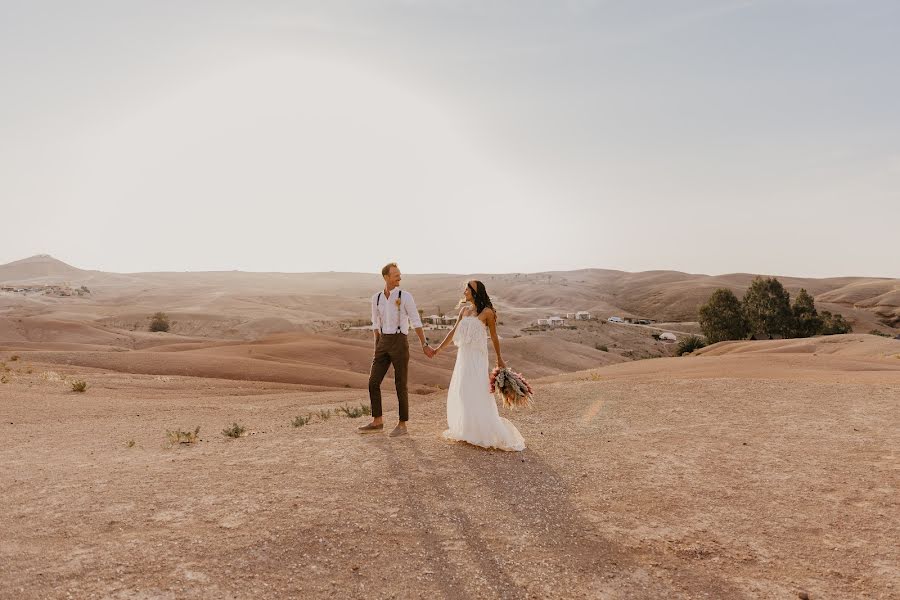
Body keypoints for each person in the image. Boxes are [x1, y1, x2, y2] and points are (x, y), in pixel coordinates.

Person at [429, 280, 525, 451]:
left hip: (478, 358)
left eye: (468, 288)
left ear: (475, 291)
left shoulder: (487, 312)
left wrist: (499, 358)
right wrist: (438, 349)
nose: (464, 290)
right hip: (464, 356)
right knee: (463, 390)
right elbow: (453, 332)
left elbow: (494, 337)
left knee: (477, 389)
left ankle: (482, 431)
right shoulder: (464, 310)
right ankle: (468, 430)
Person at [357, 262, 433, 437]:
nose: (400, 277)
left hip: (400, 341)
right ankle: (377, 421)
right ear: (386, 277)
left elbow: (415, 321)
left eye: (399, 274)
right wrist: (377, 345)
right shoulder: (376, 298)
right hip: (383, 342)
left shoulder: (405, 296)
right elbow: (375, 323)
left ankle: (402, 424)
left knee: (400, 384)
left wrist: (424, 344)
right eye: (396, 275)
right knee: (373, 382)